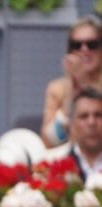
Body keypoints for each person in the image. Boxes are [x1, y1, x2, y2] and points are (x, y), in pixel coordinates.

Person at [41, 16, 102, 148]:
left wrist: (85, 85)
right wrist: (70, 92)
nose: (84, 50)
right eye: (76, 45)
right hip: (71, 162)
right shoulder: (57, 88)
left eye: (92, 45)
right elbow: (50, 142)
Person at [42, 87, 102, 181]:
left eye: (98, 115)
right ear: (71, 124)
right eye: (84, 116)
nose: (91, 122)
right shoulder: (51, 164)